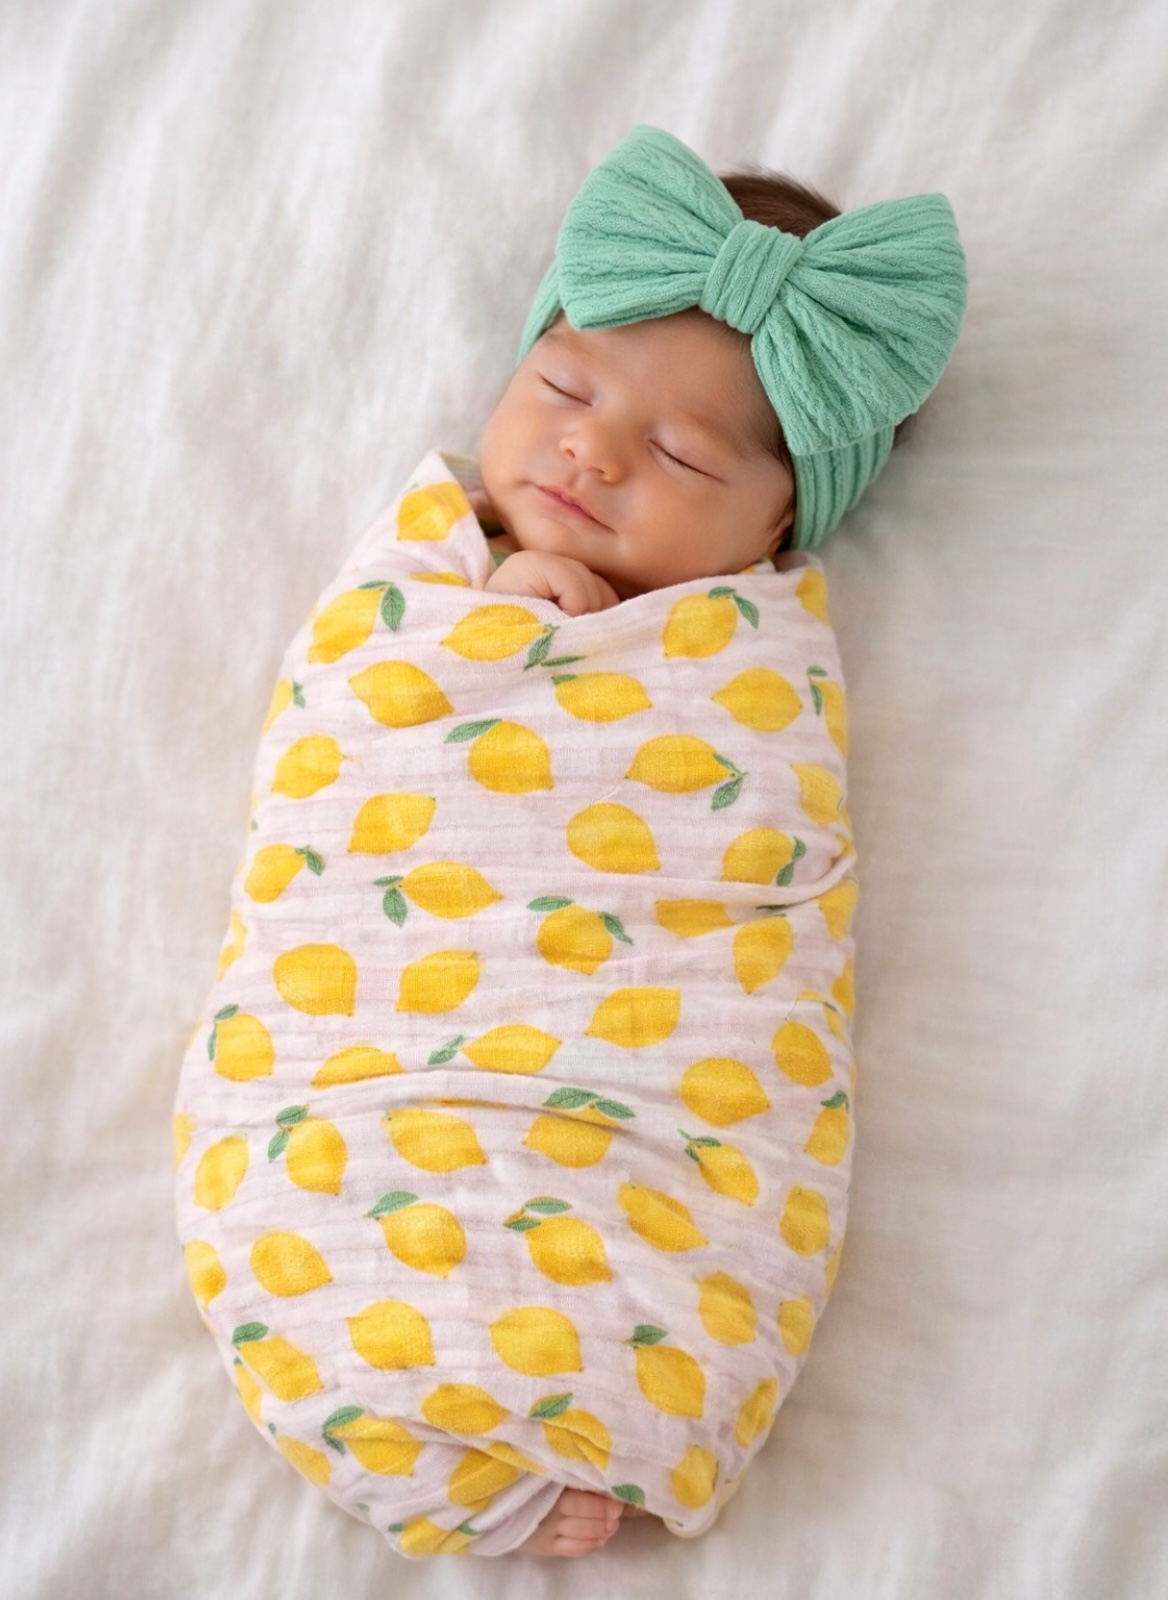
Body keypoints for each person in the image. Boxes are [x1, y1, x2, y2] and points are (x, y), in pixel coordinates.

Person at [174, 125, 967, 1562]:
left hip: (643, 1059)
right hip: (377, 1037)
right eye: (561, 386)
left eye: (674, 452)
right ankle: (404, 1381)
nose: (589, 449)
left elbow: (750, 885)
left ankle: (614, 1358)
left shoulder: (750, 675)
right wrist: (500, 627)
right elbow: (357, 726)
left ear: (783, 526)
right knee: (337, 1211)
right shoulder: (421, 578)